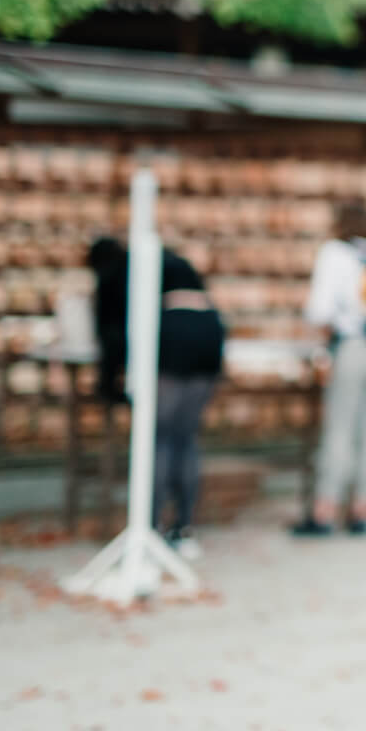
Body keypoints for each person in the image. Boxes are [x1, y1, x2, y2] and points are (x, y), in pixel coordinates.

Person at [89, 238, 225, 558]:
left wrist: (109, 385)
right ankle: (184, 527)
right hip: (208, 336)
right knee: (185, 438)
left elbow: (111, 334)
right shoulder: (170, 259)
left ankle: (149, 527)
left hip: (170, 340)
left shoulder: (116, 272)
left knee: (159, 439)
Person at [293, 202, 366, 537]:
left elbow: (320, 309)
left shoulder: (335, 253)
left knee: (340, 430)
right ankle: (363, 510)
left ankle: (325, 511)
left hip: (354, 347)